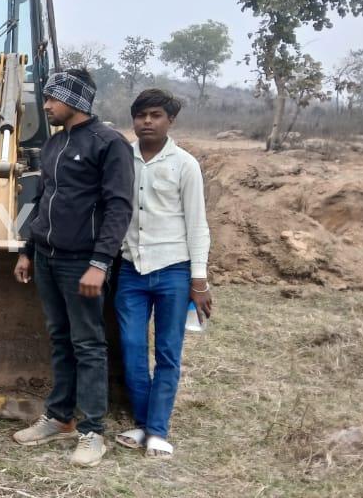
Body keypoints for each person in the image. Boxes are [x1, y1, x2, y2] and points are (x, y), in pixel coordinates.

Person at [11, 69, 134, 468]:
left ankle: (92, 431)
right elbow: (42, 200)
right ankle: (60, 417)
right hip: (46, 257)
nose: (46, 106)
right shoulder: (54, 143)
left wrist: (100, 263)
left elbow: (119, 207)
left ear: (75, 100)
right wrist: (28, 250)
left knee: (88, 343)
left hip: (82, 261)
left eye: (52, 98)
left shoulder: (109, 144)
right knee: (60, 338)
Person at [113, 89, 212, 459]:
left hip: (173, 271)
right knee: (132, 349)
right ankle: (142, 423)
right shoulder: (122, 159)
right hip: (131, 271)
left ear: (170, 120)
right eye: (141, 115)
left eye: (155, 115)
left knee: (168, 352)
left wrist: (198, 281)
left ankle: (157, 430)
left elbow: (197, 225)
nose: (147, 122)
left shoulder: (185, 165)